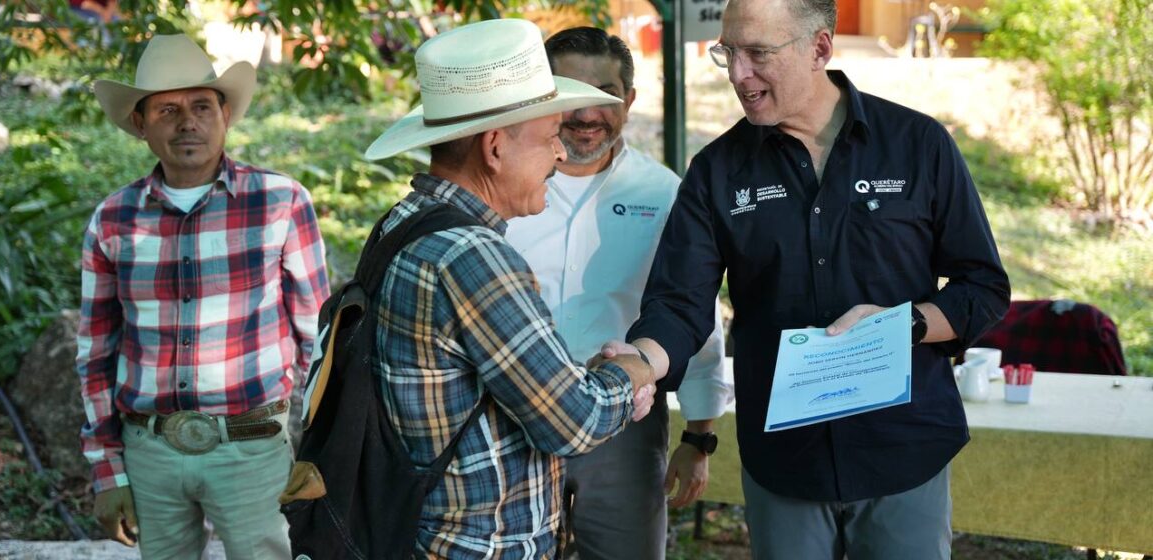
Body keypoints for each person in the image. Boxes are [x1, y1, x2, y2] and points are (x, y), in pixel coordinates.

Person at [608, 1, 1012, 558]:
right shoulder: (718, 171)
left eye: (758, 54)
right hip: (786, 460)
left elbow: (983, 286)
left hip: (901, 449)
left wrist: (904, 325)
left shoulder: (917, 144)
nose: (737, 74)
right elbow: (679, 303)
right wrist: (639, 362)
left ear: (819, 48)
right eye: (728, 52)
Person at [361, 18, 659, 559]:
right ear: (495, 148)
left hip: (422, 528)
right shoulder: (472, 257)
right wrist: (634, 368)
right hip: (477, 544)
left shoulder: (405, 220)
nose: (560, 156)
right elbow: (575, 419)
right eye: (549, 138)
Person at [77, 34, 329, 559]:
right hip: (150, 451)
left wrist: (317, 449)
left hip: (254, 447)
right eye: (167, 109)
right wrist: (108, 471)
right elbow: (96, 351)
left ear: (225, 114)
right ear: (142, 124)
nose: (186, 121)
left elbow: (318, 337)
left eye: (200, 106)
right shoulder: (113, 219)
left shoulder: (280, 202)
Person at [503, 27, 728, 560]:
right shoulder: (503, 186)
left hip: (624, 417)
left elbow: (694, 311)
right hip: (510, 417)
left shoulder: (664, 192)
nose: (586, 115)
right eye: (569, 97)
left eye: (603, 96)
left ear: (629, 99)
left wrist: (699, 435)